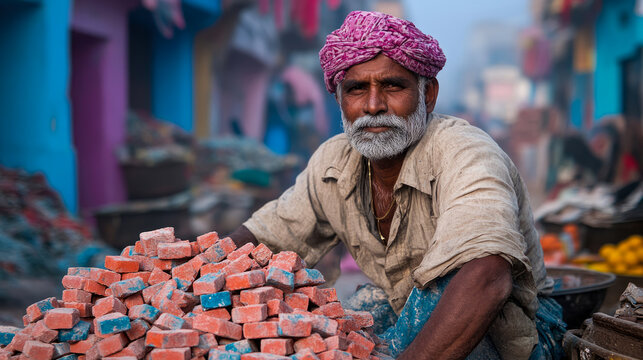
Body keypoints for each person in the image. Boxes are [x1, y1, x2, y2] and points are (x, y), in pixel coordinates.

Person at [229, 11, 566, 360]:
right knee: (337, 322)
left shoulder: (465, 152)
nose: (373, 106)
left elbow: (487, 275)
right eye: (356, 89)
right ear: (340, 101)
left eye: (393, 86)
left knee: (453, 274)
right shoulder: (333, 161)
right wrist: (191, 272)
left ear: (428, 95)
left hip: (514, 333)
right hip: (412, 308)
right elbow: (265, 238)